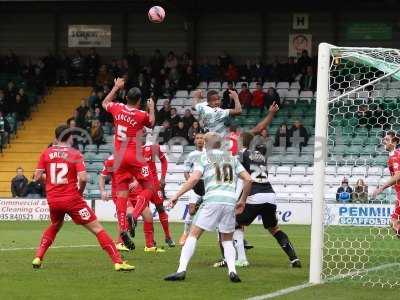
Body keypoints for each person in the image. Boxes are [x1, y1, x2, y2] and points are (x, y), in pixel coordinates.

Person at [32, 124, 134, 271]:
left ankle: (38, 257)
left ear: (56, 138)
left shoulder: (46, 153)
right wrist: (79, 192)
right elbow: (84, 178)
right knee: (98, 229)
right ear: (70, 137)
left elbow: (36, 177)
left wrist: (50, 181)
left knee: (55, 225)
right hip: (72, 199)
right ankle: (118, 262)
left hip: (53, 200)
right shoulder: (75, 154)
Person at [164, 132, 253, 283]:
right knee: (227, 239)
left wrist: (176, 195)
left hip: (212, 200)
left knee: (193, 235)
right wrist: (243, 200)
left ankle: (181, 270)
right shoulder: (232, 158)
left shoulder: (204, 157)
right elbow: (249, 179)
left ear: (206, 144)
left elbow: (193, 179)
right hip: (230, 202)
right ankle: (232, 271)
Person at [102, 77, 157, 250]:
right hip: (135, 156)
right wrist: (152, 108)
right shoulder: (141, 115)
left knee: (121, 195)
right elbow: (152, 123)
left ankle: (123, 229)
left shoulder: (117, 107)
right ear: (139, 101)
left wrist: (116, 87)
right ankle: (134, 215)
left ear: (126, 98)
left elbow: (105, 102)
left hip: (119, 158)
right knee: (150, 186)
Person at [233, 132, 301, 268]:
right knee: (274, 229)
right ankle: (294, 259)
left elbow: (244, 179)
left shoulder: (241, 155)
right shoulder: (260, 155)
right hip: (270, 194)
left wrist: (239, 199)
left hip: (254, 195)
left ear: (241, 141)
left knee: (235, 223)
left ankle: (241, 259)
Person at [98, 154, 160, 252]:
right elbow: (102, 177)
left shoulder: (134, 157)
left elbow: (141, 173)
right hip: (120, 192)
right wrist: (102, 191)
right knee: (128, 213)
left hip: (134, 193)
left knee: (148, 215)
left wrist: (135, 182)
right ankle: (119, 242)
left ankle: (149, 245)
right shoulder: (112, 160)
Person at [139, 135, 175, 247]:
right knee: (146, 212)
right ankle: (150, 241)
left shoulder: (153, 147)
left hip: (154, 184)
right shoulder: (132, 149)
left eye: (144, 132)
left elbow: (164, 161)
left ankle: (168, 236)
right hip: (140, 184)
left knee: (160, 208)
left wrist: (163, 178)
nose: (142, 134)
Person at [179, 133, 205, 245]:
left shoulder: (208, 154)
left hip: (208, 185)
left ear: (205, 140)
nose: (200, 140)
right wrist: (191, 183)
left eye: (202, 138)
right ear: (194, 141)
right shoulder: (192, 155)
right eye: (198, 138)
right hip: (196, 185)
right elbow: (186, 171)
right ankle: (185, 233)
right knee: (191, 211)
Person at [372, 131, 400, 236]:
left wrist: (381, 188)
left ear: (395, 142)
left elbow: (398, 175)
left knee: (394, 222)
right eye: (384, 139)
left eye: (387, 139)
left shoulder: (396, 155)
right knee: (395, 222)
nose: (384, 141)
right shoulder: (392, 156)